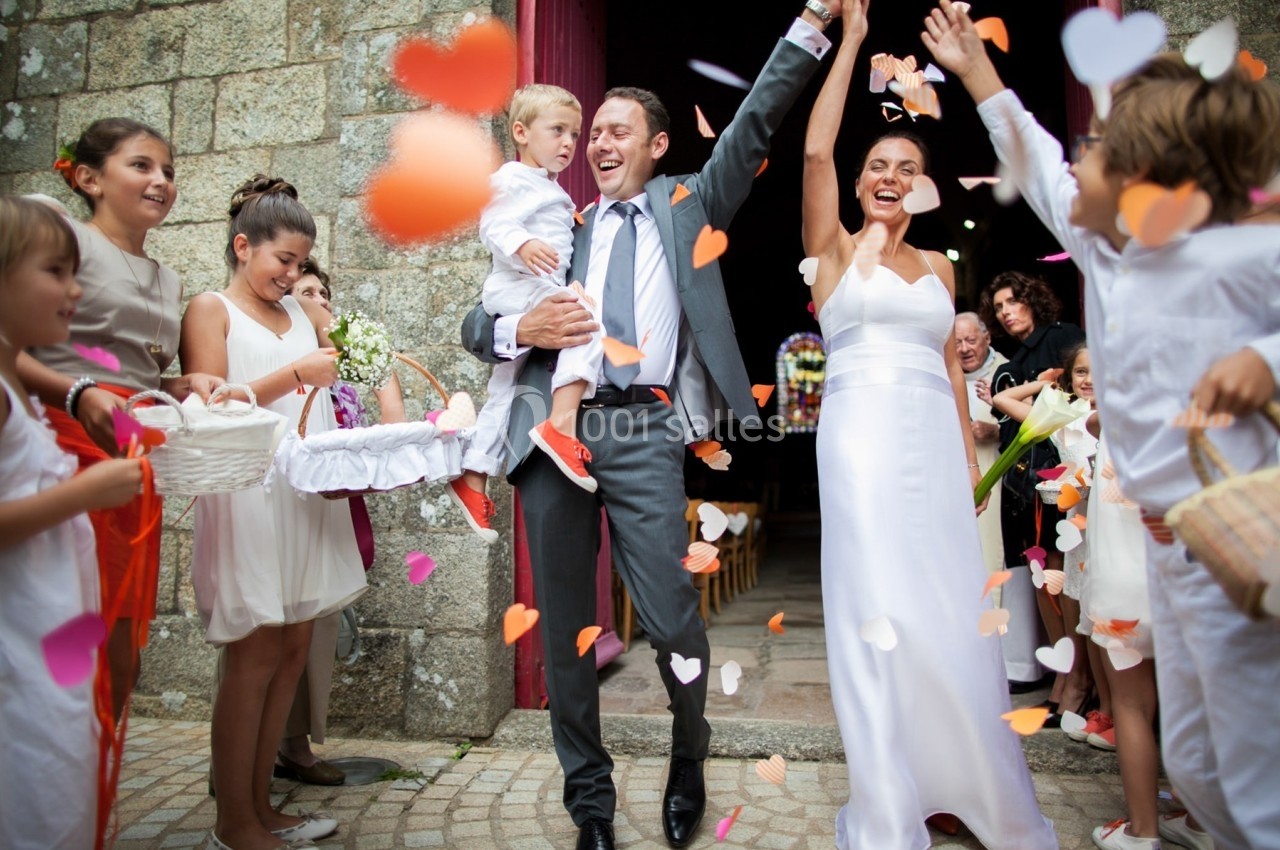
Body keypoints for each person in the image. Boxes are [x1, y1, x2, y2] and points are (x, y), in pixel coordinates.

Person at [461, 5, 839, 847]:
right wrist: (520, 331)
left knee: (672, 618)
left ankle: (689, 757)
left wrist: (812, 21)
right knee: (564, 632)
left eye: (618, 130)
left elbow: (754, 121)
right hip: (552, 435)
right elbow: (475, 321)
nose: (598, 142)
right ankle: (588, 803)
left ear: (657, 146)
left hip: (644, 433)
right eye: (593, 130)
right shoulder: (558, 221)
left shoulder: (689, 205)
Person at [922, 5, 1280, 847]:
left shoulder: (1240, 258)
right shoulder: (1115, 263)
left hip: (1240, 541)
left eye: (1100, 152)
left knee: (1250, 756)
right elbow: (1036, 162)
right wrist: (976, 72)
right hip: (1162, 542)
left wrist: (1268, 357)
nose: (1078, 164)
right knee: (1192, 751)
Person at [800, 5, 1056, 848]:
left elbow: (952, 370)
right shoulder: (833, 250)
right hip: (860, 443)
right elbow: (812, 150)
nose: (888, 175)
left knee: (945, 609)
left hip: (932, 452)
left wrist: (967, 473)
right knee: (878, 607)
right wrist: (849, 48)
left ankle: (955, 780)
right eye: (877, 163)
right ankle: (887, 800)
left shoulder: (942, 267)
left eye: (905, 166)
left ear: (923, 185)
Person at [180, 175, 368, 849]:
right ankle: (233, 819)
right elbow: (209, 408)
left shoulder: (303, 315)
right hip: (247, 493)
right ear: (241, 247)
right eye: (282, 260)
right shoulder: (211, 310)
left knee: (291, 649)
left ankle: (264, 807)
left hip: (303, 490)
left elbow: (341, 379)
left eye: (301, 263)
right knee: (253, 654)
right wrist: (294, 375)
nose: (292, 275)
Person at [18, 118, 221, 722]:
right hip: (65, 446)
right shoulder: (63, 244)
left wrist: (182, 384)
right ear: (88, 178)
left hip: (134, 460)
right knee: (67, 627)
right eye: (141, 165)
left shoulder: (168, 279)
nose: (160, 181)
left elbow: (142, 375)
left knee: (123, 646)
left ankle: (95, 789)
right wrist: (79, 393)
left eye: (169, 172)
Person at [0, 196, 144, 850]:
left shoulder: (20, 391)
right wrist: (84, 492)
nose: (75, 290)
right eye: (55, 271)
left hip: (49, 642)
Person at [275, 258, 404, 785]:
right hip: (283, 494)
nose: (319, 302)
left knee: (316, 627)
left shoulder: (343, 371)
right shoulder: (283, 354)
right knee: (269, 629)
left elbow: (385, 401)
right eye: (306, 292)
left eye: (324, 293)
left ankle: (295, 745)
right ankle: (245, 758)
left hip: (335, 497)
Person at [451, 84, 594, 541]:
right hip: (516, 288)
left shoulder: (549, 188)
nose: (569, 143)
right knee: (584, 323)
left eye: (574, 133)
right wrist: (522, 244)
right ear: (521, 132)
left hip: (529, 289)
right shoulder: (511, 178)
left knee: (502, 394)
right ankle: (560, 426)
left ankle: (473, 474)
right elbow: (493, 222)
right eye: (557, 131)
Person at [979, 270, 1084, 701]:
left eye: (1012, 303)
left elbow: (1074, 402)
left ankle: (1077, 680)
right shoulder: (1016, 357)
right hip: (1023, 482)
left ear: (1032, 301)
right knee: (1040, 576)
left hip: (1058, 474)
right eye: (999, 307)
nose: (1005, 313)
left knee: (1062, 576)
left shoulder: (1062, 338)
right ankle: (1063, 677)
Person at [992, 344, 1100, 729]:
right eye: (1081, 373)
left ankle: (1092, 693)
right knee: (1072, 604)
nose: (1088, 380)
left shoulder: (1114, 417)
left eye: (1096, 371)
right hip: (1076, 524)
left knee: (1098, 608)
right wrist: (1044, 382)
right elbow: (1002, 398)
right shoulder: (1066, 418)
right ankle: (1078, 685)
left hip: (1106, 523)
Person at [956, 311, 1043, 685]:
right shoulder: (947, 377)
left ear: (987, 338)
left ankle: (1014, 665)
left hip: (1002, 488)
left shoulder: (1009, 372)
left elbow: (1035, 425)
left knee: (1000, 566)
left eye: (970, 340)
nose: (963, 349)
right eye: (956, 342)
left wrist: (996, 429)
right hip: (960, 486)